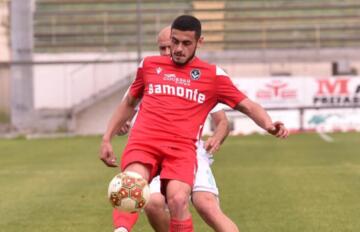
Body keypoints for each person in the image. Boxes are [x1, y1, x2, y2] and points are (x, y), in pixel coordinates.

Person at [100, 15, 289, 232]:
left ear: (199, 42)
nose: (178, 49)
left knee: (179, 200)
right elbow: (129, 103)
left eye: (186, 43)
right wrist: (107, 137)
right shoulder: (149, 66)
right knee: (131, 183)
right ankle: (121, 230)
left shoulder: (212, 76)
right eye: (174, 41)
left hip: (181, 149)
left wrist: (269, 124)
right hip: (145, 142)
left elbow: (247, 105)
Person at [112, 26, 238, 232]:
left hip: (190, 150)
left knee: (206, 205)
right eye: (163, 48)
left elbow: (222, 121)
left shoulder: (202, 77)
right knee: (153, 204)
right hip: (152, 150)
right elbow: (126, 111)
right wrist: (121, 127)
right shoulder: (149, 72)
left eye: (171, 46)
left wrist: (217, 136)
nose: (168, 52)